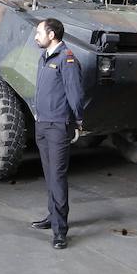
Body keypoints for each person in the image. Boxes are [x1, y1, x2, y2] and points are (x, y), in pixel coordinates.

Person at [28, 17, 85, 250]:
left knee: (58, 178)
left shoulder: (67, 59)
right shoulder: (45, 58)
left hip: (58, 126)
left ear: (52, 35)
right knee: (50, 175)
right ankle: (52, 216)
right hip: (42, 124)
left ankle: (60, 231)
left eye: (39, 32)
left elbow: (75, 93)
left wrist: (79, 120)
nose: (36, 36)